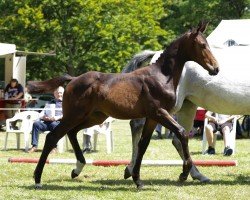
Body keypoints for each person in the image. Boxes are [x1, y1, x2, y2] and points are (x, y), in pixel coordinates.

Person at [28, 86, 64, 153]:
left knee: (54, 125)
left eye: (60, 93)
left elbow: (66, 115)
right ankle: (34, 146)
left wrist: (55, 118)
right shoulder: (49, 102)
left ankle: (53, 147)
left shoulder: (65, 103)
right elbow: (41, 113)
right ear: (54, 94)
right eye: (57, 93)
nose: (59, 94)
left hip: (58, 122)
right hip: (47, 122)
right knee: (36, 124)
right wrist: (43, 117)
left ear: (63, 93)